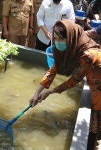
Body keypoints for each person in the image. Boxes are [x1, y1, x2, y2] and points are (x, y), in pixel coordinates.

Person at [29, 19, 101, 150]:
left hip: (99, 88)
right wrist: (37, 93)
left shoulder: (88, 55)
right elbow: (53, 70)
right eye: (55, 38)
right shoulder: (71, 47)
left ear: (71, 37)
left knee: (94, 124)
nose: (57, 43)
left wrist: (49, 92)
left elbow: (73, 81)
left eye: (61, 39)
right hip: (93, 83)